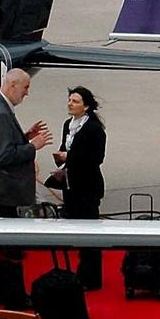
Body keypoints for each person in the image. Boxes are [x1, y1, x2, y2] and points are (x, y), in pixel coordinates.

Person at [0, 68, 51, 308]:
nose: (27, 94)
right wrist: (33, 146)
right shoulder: (0, 114)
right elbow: (4, 155)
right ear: (13, 85)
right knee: (9, 250)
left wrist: (23, 137)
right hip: (0, 193)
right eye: (25, 89)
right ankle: (15, 298)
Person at [52, 86, 107, 291]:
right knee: (75, 229)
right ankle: (81, 273)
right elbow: (65, 148)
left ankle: (91, 278)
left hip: (88, 187)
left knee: (90, 234)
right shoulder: (69, 124)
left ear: (85, 106)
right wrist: (61, 158)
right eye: (69, 100)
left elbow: (97, 158)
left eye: (74, 101)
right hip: (71, 186)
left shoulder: (94, 129)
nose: (70, 104)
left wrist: (70, 157)